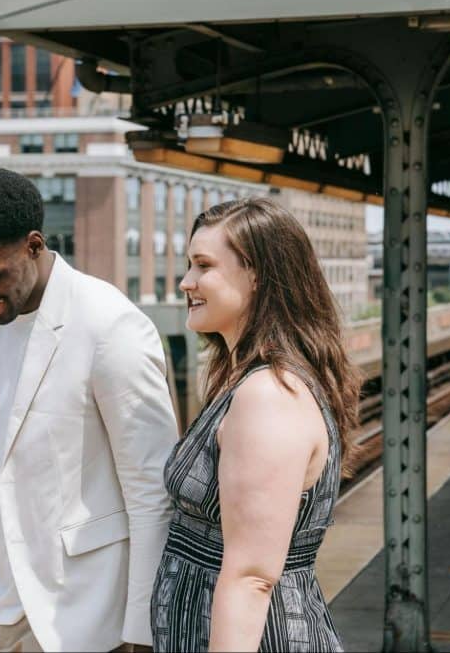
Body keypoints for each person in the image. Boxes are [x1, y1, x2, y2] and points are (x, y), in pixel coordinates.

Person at [0, 166, 178, 652]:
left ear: (33, 245)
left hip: (82, 613)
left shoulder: (110, 325)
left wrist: (144, 629)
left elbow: (153, 489)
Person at [150, 198, 360, 652]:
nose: (187, 282)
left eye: (203, 266)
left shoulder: (267, 396)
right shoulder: (246, 379)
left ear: (257, 274)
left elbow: (252, 578)